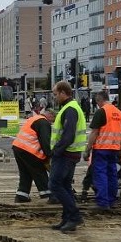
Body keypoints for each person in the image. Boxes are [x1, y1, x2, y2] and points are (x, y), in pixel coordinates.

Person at [48, 81, 87, 233]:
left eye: (56, 94)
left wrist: (56, 151)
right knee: (64, 186)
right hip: (71, 153)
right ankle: (67, 218)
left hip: (66, 154)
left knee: (55, 185)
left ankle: (75, 216)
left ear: (63, 92)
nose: (55, 97)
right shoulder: (72, 107)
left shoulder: (70, 109)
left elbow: (68, 135)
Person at [82, 91, 121, 212]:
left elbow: (94, 132)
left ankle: (103, 203)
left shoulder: (102, 111)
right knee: (112, 174)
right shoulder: (118, 112)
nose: (97, 105)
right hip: (114, 148)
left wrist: (87, 149)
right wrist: (120, 149)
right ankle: (112, 200)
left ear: (100, 100)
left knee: (101, 175)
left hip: (102, 148)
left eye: (97, 102)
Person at [12, 108, 56, 203]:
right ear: (50, 115)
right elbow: (45, 141)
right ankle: (50, 195)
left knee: (25, 173)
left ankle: (21, 195)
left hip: (18, 147)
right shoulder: (44, 123)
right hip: (29, 150)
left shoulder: (34, 118)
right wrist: (49, 155)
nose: (52, 123)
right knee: (39, 171)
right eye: (53, 120)